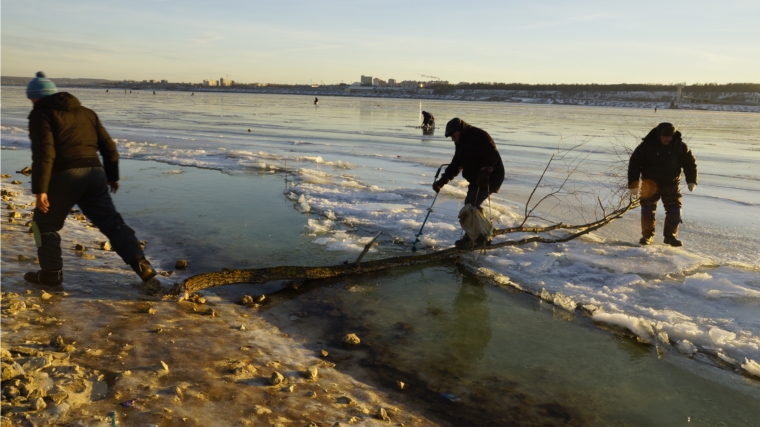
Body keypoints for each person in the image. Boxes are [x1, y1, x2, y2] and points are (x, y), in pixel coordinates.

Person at [24, 72, 157, 285]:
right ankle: (142, 265)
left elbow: (44, 153)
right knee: (112, 223)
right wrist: (112, 177)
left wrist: (40, 190)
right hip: (95, 175)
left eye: (31, 99)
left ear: (37, 98)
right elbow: (109, 147)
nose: (31, 103)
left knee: (44, 224)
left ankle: (51, 274)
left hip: (65, 176)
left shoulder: (41, 114)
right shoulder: (87, 113)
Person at [433, 118, 505, 249]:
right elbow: (456, 164)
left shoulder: (479, 135)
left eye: (453, 136)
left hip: (491, 177)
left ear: (459, 130)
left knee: (471, 205)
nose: (453, 139)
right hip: (476, 179)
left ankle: (471, 238)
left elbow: (491, 155)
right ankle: (484, 234)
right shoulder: (461, 142)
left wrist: (486, 172)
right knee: (471, 205)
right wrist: (442, 181)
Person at [628, 122, 698, 247]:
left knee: (675, 211)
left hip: (671, 184)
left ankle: (670, 236)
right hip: (649, 184)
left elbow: (690, 164)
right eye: (665, 136)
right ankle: (647, 236)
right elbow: (634, 165)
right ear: (658, 135)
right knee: (647, 210)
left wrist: (691, 180)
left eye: (670, 136)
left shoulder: (680, 147)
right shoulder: (646, 146)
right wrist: (633, 185)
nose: (667, 139)